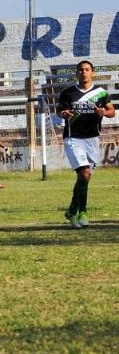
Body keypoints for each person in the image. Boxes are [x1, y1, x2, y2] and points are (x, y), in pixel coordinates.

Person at [57, 60, 114, 228]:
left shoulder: (101, 93)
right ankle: (83, 211)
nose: (84, 72)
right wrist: (63, 113)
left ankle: (71, 210)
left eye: (87, 69)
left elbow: (111, 111)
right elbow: (59, 110)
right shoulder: (68, 93)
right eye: (81, 70)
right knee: (84, 174)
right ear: (77, 73)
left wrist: (104, 112)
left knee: (85, 178)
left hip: (92, 139)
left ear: (92, 73)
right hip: (73, 138)